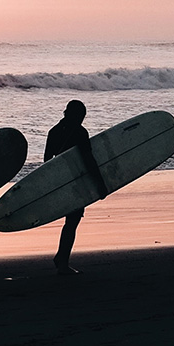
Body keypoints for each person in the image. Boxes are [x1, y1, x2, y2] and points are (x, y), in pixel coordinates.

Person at [46, 99, 109, 275]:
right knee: (72, 221)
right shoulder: (80, 132)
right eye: (81, 116)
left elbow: (47, 162)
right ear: (76, 115)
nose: (82, 119)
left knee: (70, 221)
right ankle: (62, 262)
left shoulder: (54, 131)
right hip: (76, 181)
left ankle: (61, 257)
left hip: (60, 182)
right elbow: (89, 159)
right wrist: (100, 183)